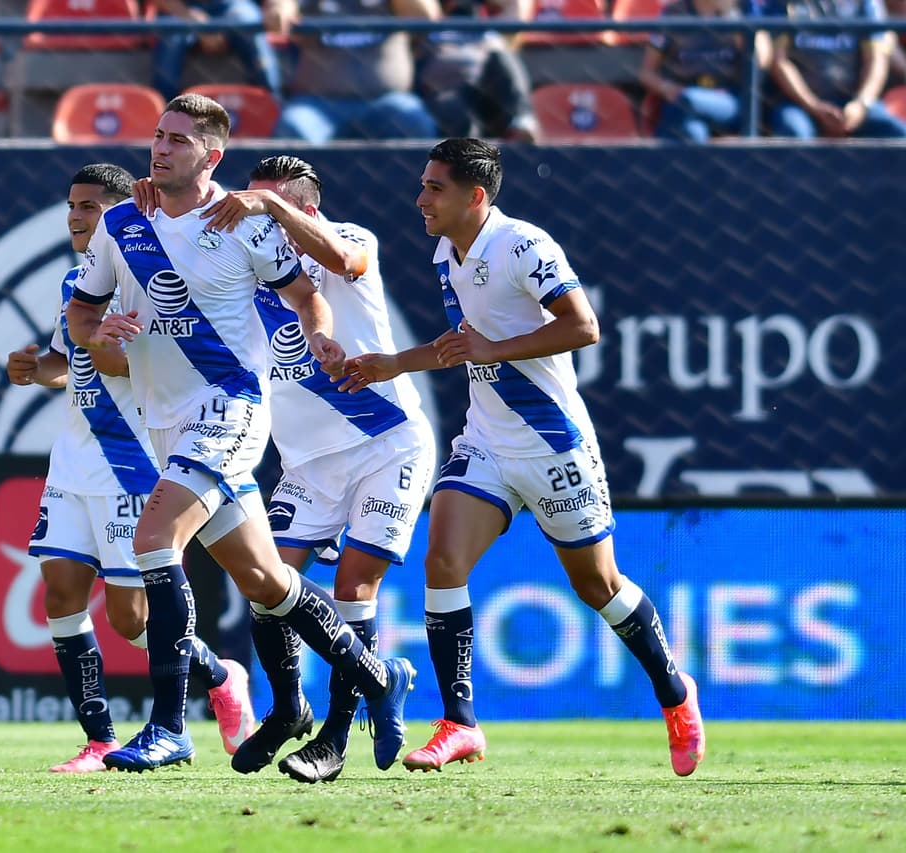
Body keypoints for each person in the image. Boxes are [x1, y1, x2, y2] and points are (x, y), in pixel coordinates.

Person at [66, 93, 415, 773]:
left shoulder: (243, 224)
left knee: (153, 539)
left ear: (212, 156)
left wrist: (318, 334)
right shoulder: (120, 223)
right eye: (158, 135)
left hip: (229, 409)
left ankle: (169, 725)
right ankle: (376, 674)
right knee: (267, 580)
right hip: (165, 421)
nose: (160, 148)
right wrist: (96, 330)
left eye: (178, 140)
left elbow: (310, 293)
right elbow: (82, 313)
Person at [340, 138, 706, 777]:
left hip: (553, 443)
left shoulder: (523, 245)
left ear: (474, 196)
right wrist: (392, 365)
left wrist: (494, 349)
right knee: (443, 561)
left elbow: (583, 327)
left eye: (434, 188)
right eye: (423, 185)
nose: (420, 198)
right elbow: (465, 345)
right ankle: (460, 722)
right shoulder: (444, 252)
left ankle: (674, 692)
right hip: (485, 441)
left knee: (598, 586)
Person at [174, 155, 437, 784]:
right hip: (306, 467)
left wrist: (268, 206)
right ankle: (292, 705)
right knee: (269, 586)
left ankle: (334, 742)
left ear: (305, 210)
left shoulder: (347, 240)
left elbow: (347, 265)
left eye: (265, 208)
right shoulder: (243, 266)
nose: (251, 218)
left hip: (387, 445)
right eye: (249, 205)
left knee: (352, 590)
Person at [6, 162, 255, 773]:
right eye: (72, 206)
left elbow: (129, 368)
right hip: (72, 461)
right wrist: (33, 368)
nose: (76, 217)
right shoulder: (78, 285)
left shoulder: (149, 281)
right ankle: (98, 739)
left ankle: (223, 678)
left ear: (121, 216)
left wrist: (101, 344)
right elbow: (67, 365)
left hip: (133, 462)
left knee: (129, 620)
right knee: (60, 590)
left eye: (90, 208)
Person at [265, 0, 441, 141]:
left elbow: (425, 15)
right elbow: (279, 12)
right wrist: (280, 8)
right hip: (319, 105)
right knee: (294, 127)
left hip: (386, 101)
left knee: (415, 122)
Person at [764, 0, 906, 138]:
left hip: (853, 100)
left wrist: (861, 104)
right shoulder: (785, 3)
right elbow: (779, 61)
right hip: (800, 103)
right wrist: (814, 106)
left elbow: (876, 60)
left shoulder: (865, 3)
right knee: (793, 131)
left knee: (898, 133)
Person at [637, 0, 770, 142]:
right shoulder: (673, 13)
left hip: (729, 98)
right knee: (690, 131)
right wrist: (667, 88)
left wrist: (730, 17)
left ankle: (655, 159)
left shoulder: (745, 8)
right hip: (683, 94)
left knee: (688, 101)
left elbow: (761, 60)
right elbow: (646, 73)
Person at [415, 0, 541, 142]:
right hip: (445, 92)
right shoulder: (428, 26)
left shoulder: (491, 34)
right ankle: (470, 157)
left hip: (486, 91)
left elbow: (517, 12)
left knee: (502, 56)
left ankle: (522, 122)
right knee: (455, 109)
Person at [152, 0, 283, 101]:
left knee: (247, 21)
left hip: (233, 5)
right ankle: (165, 111)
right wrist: (187, 15)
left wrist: (278, 7)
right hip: (184, 8)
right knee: (172, 35)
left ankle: (272, 100)